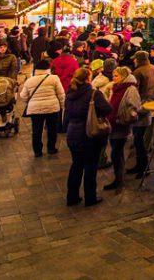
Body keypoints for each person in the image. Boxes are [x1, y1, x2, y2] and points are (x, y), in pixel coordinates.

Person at [63, 68, 111, 207]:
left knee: (76, 165)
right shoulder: (93, 94)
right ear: (88, 79)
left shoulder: (70, 93)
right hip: (89, 133)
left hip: (72, 133)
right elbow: (107, 109)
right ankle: (90, 197)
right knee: (90, 166)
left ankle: (72, 197)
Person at [105, 66, 142, 191]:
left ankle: (119, 179)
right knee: (117, 152)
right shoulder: (116, 87)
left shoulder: (130, 89)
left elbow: (135, 106)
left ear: (123, 76)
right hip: (113, 125)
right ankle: (119, 176)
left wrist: (125, 117)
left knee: (115, 152)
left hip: (120, 125)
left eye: (116, 76)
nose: (113, 78)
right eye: (113, 75)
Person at [19, 59, 65, 158]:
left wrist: (31, 102)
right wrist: (62, 106)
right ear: (48, 68)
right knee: (52, 129)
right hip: (52, 107)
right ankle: (51, 148)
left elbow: (23, 96)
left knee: (36, 130)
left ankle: (37, 151)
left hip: (35, 109)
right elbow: (61, 94)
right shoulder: (54, 78)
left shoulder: (29, 80)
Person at [127, 50, 154, 177]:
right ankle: (140, 166)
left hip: (141, 105)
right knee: (139, 138)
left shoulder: (138, 72)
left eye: (135, 59)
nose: (133, 61)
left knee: (138, 139)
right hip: (150, 103)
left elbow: (135, 91)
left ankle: (143, 167)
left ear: (139, 59)